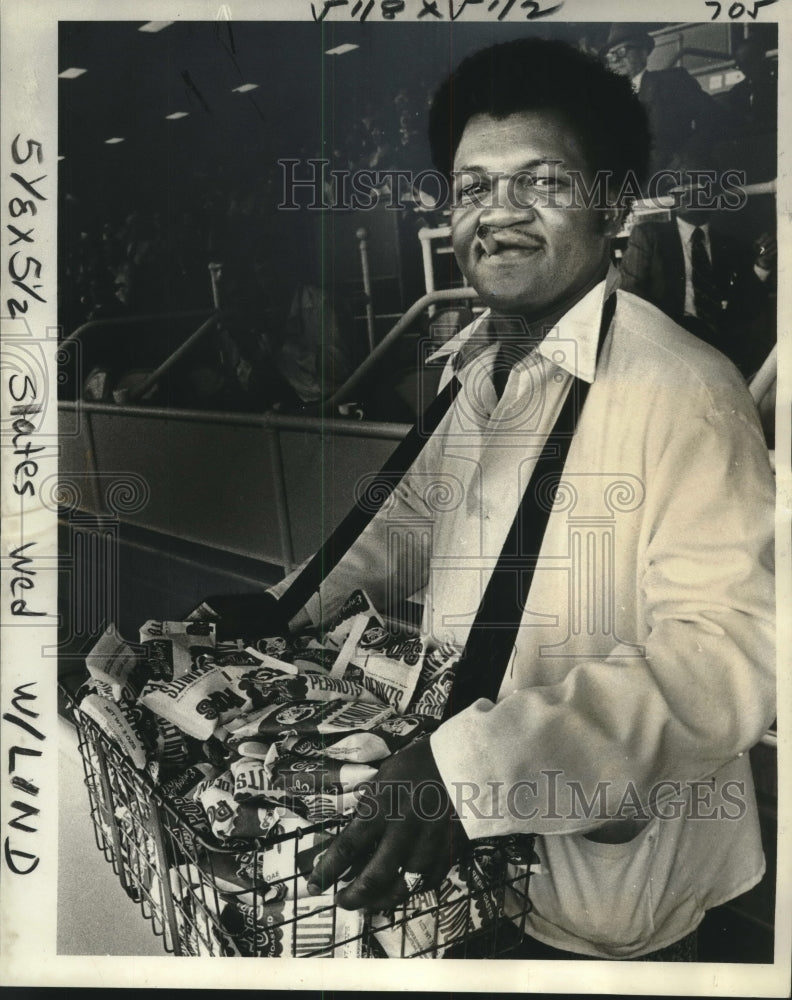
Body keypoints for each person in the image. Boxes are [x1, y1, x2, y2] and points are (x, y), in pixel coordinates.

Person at [249, 38, 774, 961]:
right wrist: (286, 604)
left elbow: (729, 654)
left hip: (607, 905)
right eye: (472, 187)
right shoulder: (480, 366)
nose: (498, 214)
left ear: (613, 206)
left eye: (542, 182)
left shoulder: (685, 389)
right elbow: (410, 524)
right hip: (470, 868)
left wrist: (477, 771)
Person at [619, 168, 776, 378]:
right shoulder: (649, 236)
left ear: (712, 193)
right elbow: (629, 298)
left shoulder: (730, 245)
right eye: (679, 185)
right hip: (669, 349)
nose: (685, 191)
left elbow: (746, 307)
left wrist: (762, 266)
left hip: (723, 351)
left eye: (696, 184)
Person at [602, 24, 728, 181]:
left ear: (643, 53)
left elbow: (713, 115)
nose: (616, 60)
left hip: (678, 181)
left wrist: (690, 154)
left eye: (622, 51)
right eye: (611, 56)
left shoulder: (672, 81)